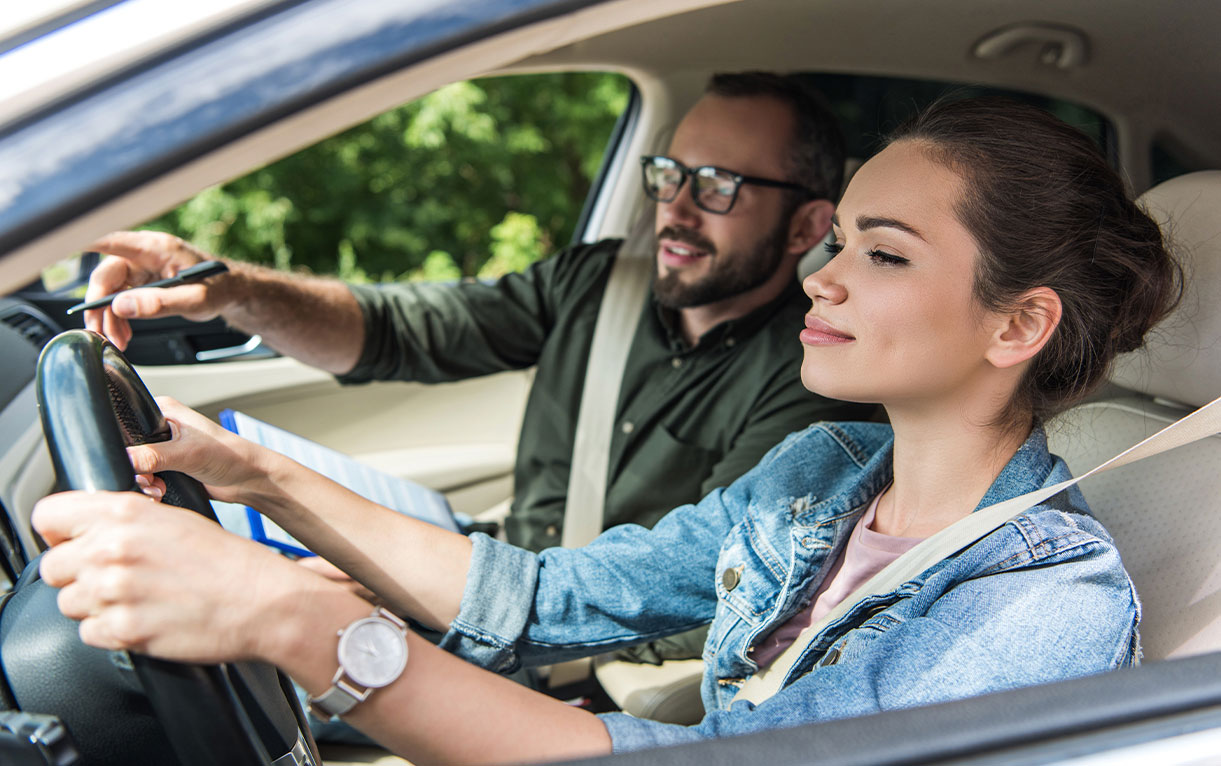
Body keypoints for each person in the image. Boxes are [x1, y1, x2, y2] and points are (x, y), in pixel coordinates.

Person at [33, 97, 1182, 764]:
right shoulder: (823, 475)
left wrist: (302, 624)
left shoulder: (1040, 612)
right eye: (842, 244)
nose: (823, 279)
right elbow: (542, 597)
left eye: (882, 253)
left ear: (1019, 323)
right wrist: (258, 476)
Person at [81, 72, 873, 560]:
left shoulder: (814, 376)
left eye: (719, 186)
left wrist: (424, 599)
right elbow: (397, 331)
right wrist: (234, 290)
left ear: (807, 227)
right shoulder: (597, 283)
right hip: (504, 577)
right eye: (669, 175)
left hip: (596, 655)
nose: (674, 210)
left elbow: (698, 585)